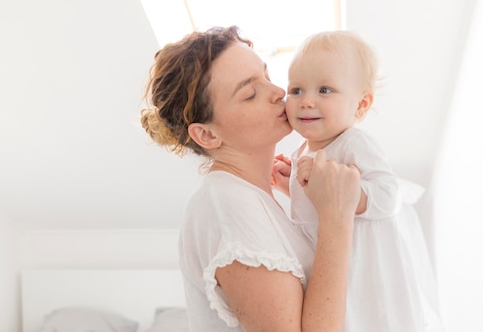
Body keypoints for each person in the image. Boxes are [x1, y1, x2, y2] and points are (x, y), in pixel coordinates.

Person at [140, 25, 361, 331]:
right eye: (250, 93)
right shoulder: (229, 209)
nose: (279, 93)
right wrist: (337, 221)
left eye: (267, 77)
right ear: (206, 134)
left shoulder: (248, 198)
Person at [281, 29, 444, 331]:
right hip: (331, 264)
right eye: (296, 90)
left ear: (361, 105)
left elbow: (388, 194)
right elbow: (318, 205)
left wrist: (350, 196)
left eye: (325, 90)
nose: (306, 101)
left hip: (366, 264)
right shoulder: (300, 151)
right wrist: (289, 186)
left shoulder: (353, 143)